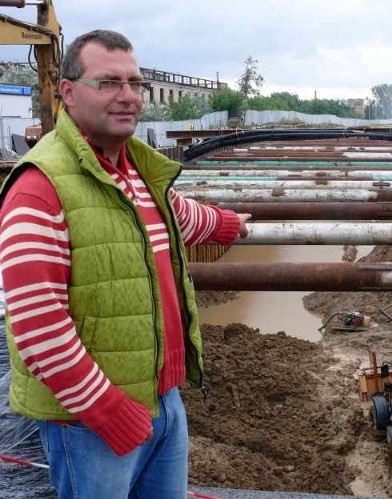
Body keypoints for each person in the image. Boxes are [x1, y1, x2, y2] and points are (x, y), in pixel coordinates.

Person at [0, 29, 250, 498]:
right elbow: (37, 325)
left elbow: (179, 219)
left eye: (135, 84)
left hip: (163, 400)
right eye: (109, 83)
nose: (128, 96)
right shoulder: (40, 186)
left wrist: (230, 224)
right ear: (68, 93)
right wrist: (108, 411)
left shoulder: (135, 170)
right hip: (90, 423)